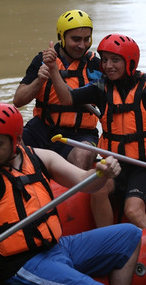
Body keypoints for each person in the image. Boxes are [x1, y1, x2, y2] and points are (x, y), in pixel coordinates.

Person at [0, 103, 142, 285]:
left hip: (59, 247)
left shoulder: (40, 157)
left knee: (130, 235)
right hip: (24, 265)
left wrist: (102, 173)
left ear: (17, 140)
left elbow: (83, 182)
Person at [44, 33, 146, 229]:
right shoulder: (101, 87)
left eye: (115, 60)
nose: (108, 66)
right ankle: (108, 240)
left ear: (130, 62)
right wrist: (53, 70)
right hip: (112, 163)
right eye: (106, 60)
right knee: (97, 190)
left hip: (145, 166)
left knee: (132, 210)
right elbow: (67, 98)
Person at [13, 9, 102, 170]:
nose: (82, 45)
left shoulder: (95, 65)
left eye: (86, 39)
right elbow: (18, 101)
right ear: (61, 37)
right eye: (76, 39)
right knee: (10, 142)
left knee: (84, 154)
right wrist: (40, 80)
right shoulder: (42, 60)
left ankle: (74, 189)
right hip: (42, 128)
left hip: (80, 134)